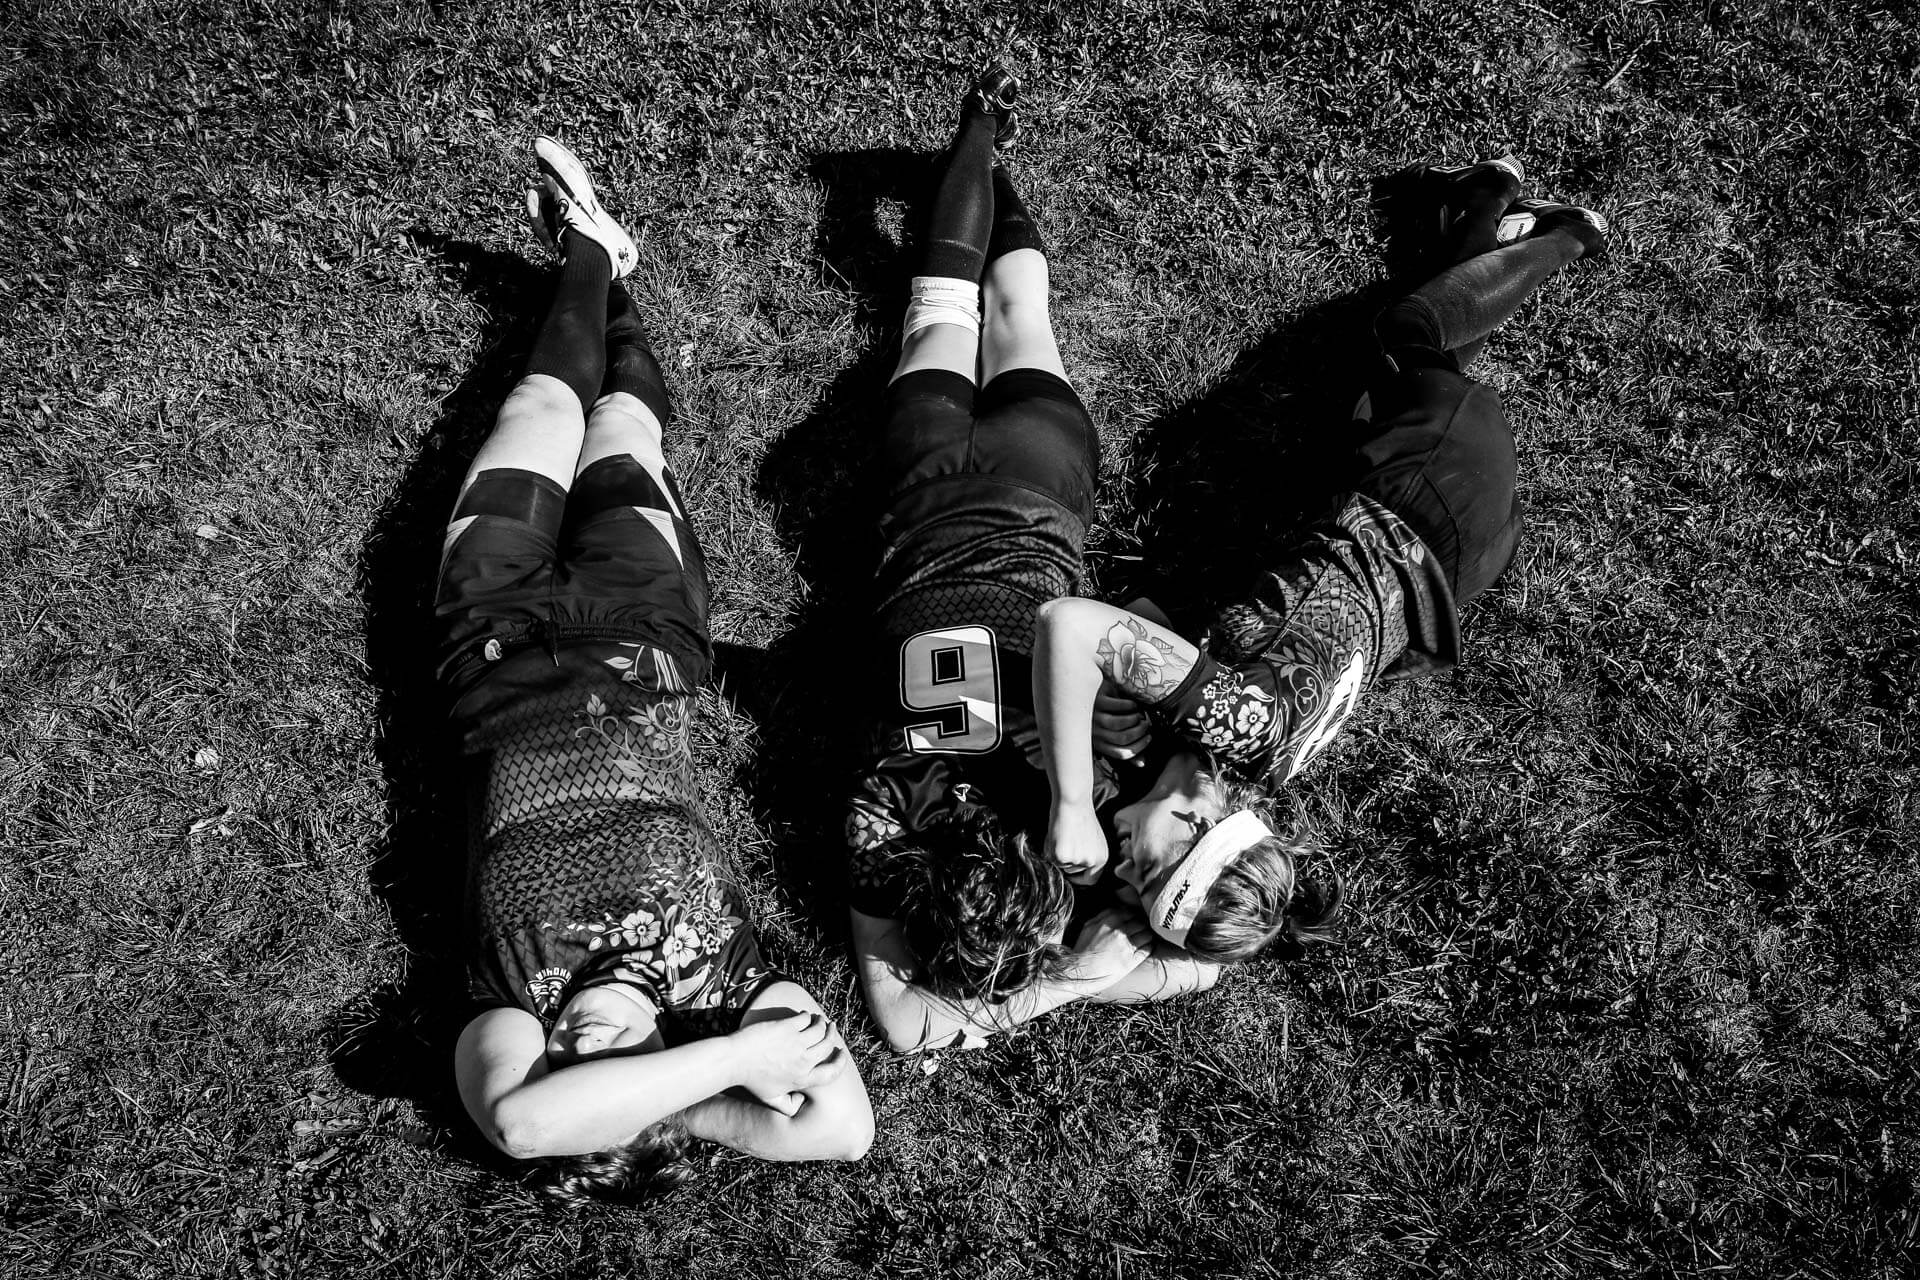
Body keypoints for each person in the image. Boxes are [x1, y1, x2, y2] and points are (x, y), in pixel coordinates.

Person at [1034, 157, 1611, 962]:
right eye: (1148, 864)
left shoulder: (1243, 761)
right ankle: (1563, 237)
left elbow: (1147, 621)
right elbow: (1068, 625)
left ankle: (1480, 210)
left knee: (1391, 376)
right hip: (1429, 490)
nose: (1121, 865)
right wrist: (1069, 799)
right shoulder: (1242, 726)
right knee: (1406, 333)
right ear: (1203, 820)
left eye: (1129, 881)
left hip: (1447, 575)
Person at [442, 137, 873, 1203]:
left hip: (487, 647)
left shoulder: (513, 1005)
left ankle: (587, 259)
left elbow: (521, 1120)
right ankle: (605, 267)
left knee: (536, 417)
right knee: (625, 429)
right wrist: (700, 1071)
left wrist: (686, 1076)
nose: (581, 1048)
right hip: (644, 641)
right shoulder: (716, 975)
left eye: (572, 1069)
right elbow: (847, 1132)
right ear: (655, 1080)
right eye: (614, 1074)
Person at [843, 68, 1219, 1054]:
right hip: (924, 487)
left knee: (1019, 308)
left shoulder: (1088, 813)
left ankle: (986, 143)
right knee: (942, 309)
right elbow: (908, 1026)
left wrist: (1068, 976)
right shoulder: (898, 789)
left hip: (1042, 484)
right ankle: (975, 141)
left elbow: (1188, 960)